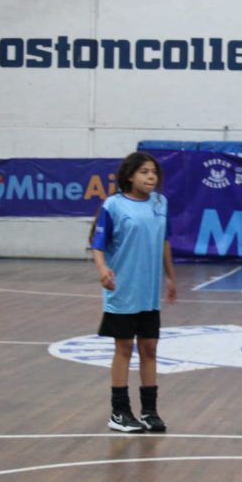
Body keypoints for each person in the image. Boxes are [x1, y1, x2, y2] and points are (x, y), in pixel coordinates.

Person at [90, 152, 177, 433]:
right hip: (123, 291)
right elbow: (98, 243)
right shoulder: (114, 206)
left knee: (150, 348)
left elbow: (164, 242)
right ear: (130, 176)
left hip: (149, 293)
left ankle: (149, 411)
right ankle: (119, 412)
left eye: (154, 172)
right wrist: (103, 269)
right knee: (124, 348)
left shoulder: (160, 204)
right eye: (144, 172)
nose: (151, 176)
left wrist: (171, 278)